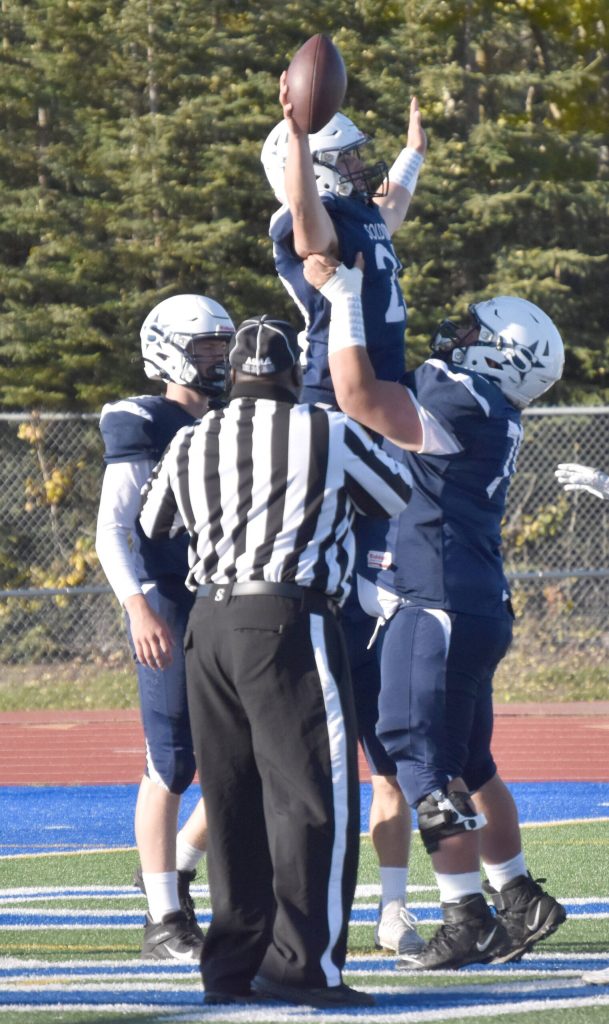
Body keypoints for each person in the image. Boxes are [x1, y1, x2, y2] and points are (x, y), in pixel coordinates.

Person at [138, 315, 420, 1007]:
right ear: (293, 376)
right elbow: (394, 493)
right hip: (288, 619)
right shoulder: (325, 427)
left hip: (210, 622)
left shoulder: (193, 438)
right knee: (309, 798)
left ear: (231, 376)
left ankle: (230, 968)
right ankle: (304, 966)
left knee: (232, 800)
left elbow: (154, 524)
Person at [303, 253, 568, 971]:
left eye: (475, 329)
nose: (457, 334)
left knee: (419, 762)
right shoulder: (490, 410)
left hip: (437, 604)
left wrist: (347, 297)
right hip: (473, 602)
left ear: (498, 351)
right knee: (466, 761)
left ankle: (465, 918)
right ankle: (517, 898)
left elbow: (357, 395)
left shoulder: (460, 399)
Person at [261, 71, 427, 955]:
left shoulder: (361, 214)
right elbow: (310, 207)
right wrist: (293, 132)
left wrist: (411, 152)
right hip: (340, 404)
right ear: (306, 167)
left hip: (378, 404)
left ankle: (397, 905)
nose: (362, 170)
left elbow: (388, 206)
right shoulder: (306, 220)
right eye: (346, 156)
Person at [95, 293, 235, 960]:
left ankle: (172, 868)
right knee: (172, 762)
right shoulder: (142, 420)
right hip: (168, 605)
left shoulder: (238, 416)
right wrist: (138, 604)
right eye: (204, 346)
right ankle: (164, 920)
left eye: (220, 346)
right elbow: (113, 529)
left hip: (230, 603)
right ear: (167, 349)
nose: (216, 357)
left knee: (246, 757)